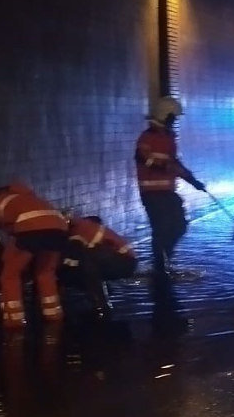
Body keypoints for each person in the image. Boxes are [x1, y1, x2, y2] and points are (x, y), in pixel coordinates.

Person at [0, 182, 69, 328]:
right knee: (45, 273)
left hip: (30, 229)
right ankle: (54, 316)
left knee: (9, 275)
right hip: (60, 229)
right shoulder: (31, 199)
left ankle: (14, 322)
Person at [136, 96, 206, 270]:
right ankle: (160, 266)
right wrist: (164, 167)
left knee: (179, 225)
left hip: (166, 192)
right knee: (162, 228)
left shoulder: (168, 138)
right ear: (165, 115)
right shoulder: (148, 137)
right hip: (152, 193)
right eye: (173, 117)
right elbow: (141, 157)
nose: (174, 121)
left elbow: (175, 164)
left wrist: (193, 181)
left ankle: (164, 260)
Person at [62, 215, 138, 319]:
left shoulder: (78, 231)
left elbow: (74, 257)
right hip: (126, 261)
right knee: (82, 263)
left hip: (124, 262)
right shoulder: (84, 226)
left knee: (83, 262)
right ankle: (103, 291)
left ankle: (100, 305)